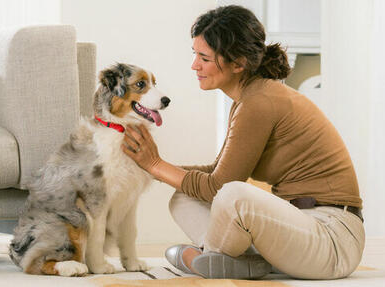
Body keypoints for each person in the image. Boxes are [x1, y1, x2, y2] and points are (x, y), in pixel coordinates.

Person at [121, 5, 364, 280]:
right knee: (185, 194)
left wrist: (155, 164)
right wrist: (146, 167)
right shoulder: (249, 98)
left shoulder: (259, 102)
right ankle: (236, 261)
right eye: (195, 55)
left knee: (232, 194)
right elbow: (216, 172)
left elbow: (219, 186)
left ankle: (216, 260)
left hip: (332, 241)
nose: (194, 65)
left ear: (238, 63)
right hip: (300, 232)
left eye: (204, 58)